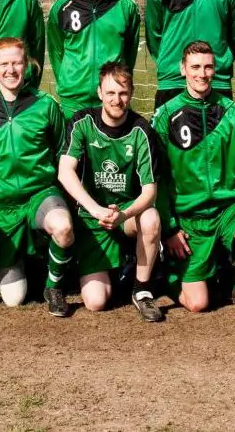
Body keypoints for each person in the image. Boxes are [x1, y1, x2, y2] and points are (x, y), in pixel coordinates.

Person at [152, 41, 235, 317]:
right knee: (198, 304)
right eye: (195, 67)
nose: (202, 73)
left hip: (228, 210)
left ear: (216, 69)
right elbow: (158, 180)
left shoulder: (234, 114)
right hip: (189, 217)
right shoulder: (165, 116)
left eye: (208, 66)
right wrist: (168, 229)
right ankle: (167, 273)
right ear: (183, 69)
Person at [0, 38, 74, 317]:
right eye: (4, 64)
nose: (10, 70)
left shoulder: (45, 105)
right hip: (1, 207)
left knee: (62, 226)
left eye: (16, 63)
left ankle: (54, 287)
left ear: (26, 65)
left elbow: (61, 150)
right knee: (14, 299)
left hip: (39, 194)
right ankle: (23, 259)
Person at [58, 62, 163, 321]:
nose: (117, 100)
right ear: (99, 92)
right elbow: (65, 172)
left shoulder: (142, 130)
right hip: (93, 219)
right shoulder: (82, 123)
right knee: (96, 302)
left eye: (123, 93)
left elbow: (150, 191)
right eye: (111, 93)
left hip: (125, 214)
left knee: (151, 219)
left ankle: (142, 291)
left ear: (132, 92)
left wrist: (123, 214)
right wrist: (95, 210)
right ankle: (128, 266)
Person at [47, 0, 140, 119]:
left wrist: (117, 84)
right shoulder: (61, 8)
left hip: (111, 98)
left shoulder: (125, 6)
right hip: (73, 100)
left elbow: (130, 52)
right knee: (73, 146)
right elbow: (56, 51)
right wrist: (70, 83)